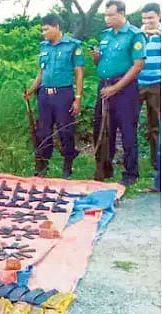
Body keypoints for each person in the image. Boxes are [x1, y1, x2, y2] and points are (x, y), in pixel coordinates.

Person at [90, 1, 146, 186]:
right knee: (104, 128)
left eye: (111, 15)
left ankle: (131, 172)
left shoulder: (134, 35)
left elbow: (137, 66)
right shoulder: (105, 36)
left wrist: (116, 88)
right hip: (104, 87)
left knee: (127, 130)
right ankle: (106, 168)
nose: (107, 18)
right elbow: (101, 63)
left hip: (124, 89)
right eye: (106, 15)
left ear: (121, 14)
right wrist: (97, 58)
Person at [24, 14, 84, 179]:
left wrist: (78, 97)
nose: (44, 33)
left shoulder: (73, 45)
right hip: (44, 94)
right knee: (43, 131)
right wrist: (30, 90)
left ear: (57, 27)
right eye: (42, 29)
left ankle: (68, 165)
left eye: (46, 29)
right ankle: (42, 165)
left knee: (66, 130)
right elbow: (41, 73)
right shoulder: (44, 47)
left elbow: (79, 73)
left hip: (63, 94)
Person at [138, 3, 161, 171]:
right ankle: (129, 161)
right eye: (145, 18)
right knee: (130, 121)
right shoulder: (137, 35)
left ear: (159, 17)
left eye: (151, 18)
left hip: (156, 85)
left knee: (155, 124)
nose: (148, 21)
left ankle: (155, 162)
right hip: (137, 84)